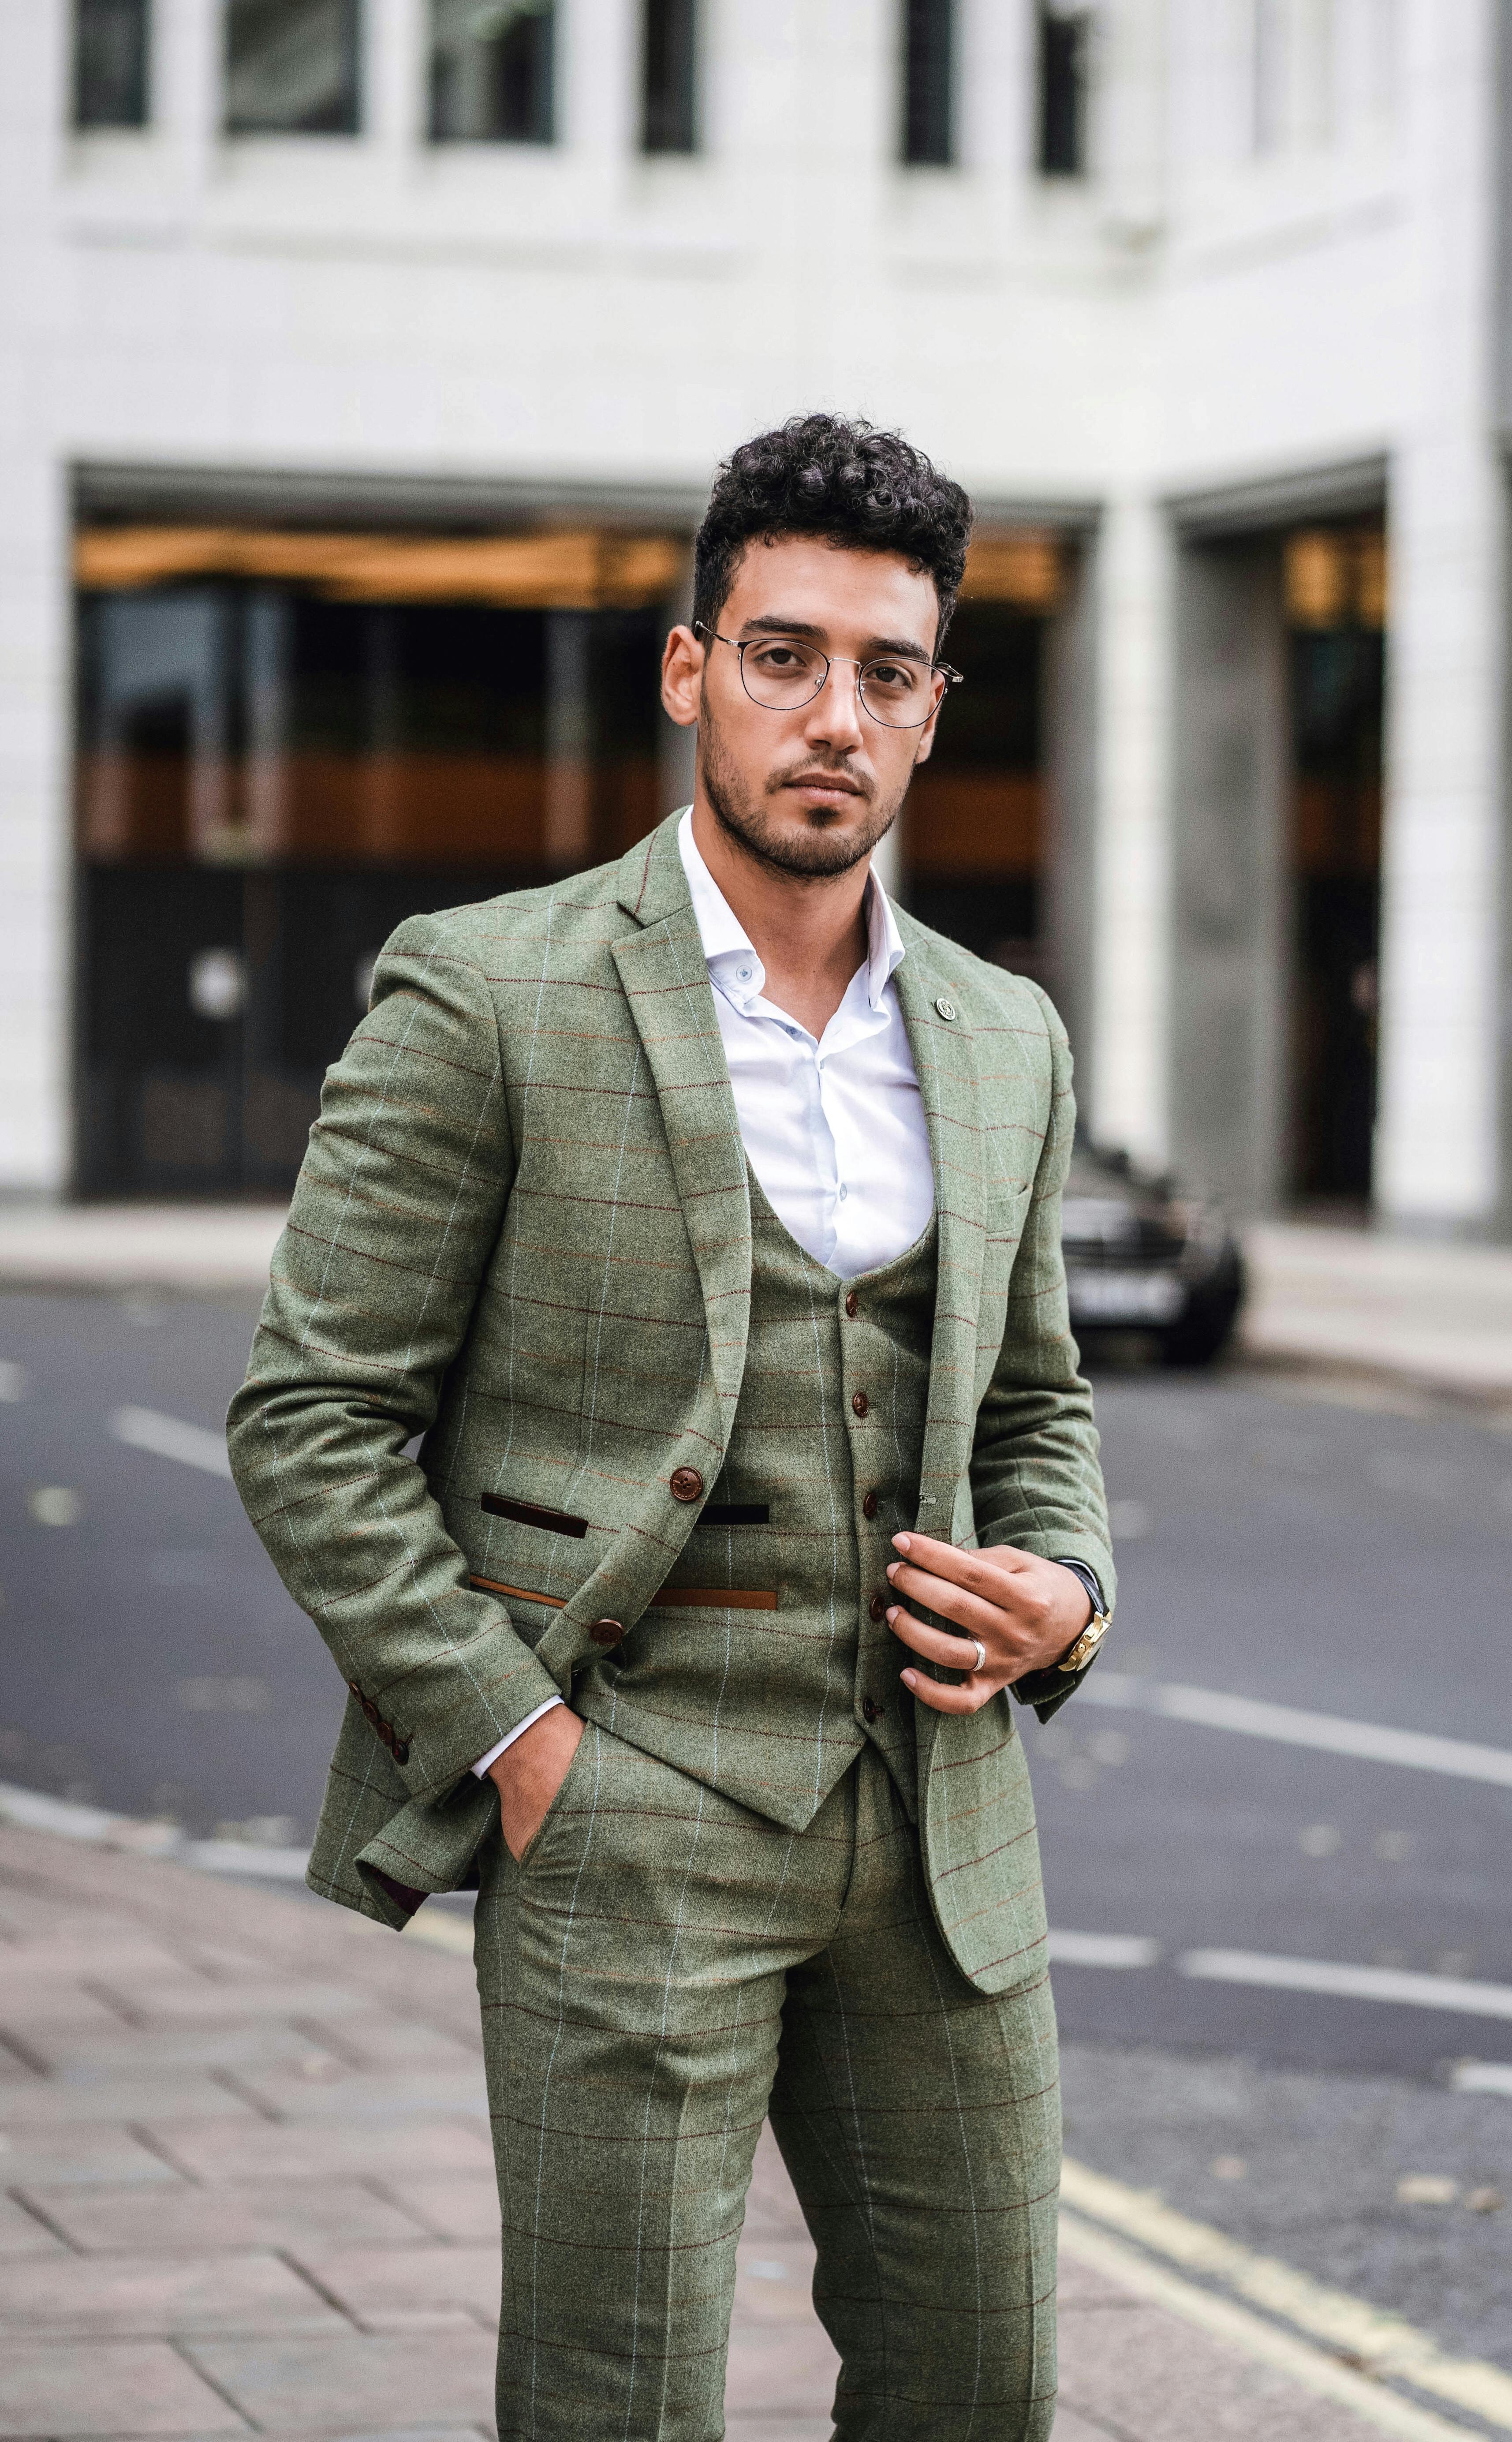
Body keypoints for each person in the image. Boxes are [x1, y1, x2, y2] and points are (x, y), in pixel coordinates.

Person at [227, 412, 1114, 2442]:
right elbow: (313, 1416)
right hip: (624, 1805)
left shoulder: (1004, 1032)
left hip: (946, 1831)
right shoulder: (490, 991)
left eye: (888, 672)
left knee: (983, 2389)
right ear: (688, 666)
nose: (834, 715)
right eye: (783, 653)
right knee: (616, 2406)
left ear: (935, 708)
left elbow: (1040, 1401)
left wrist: (1065, 1587)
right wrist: (523, 1743)